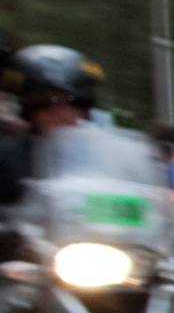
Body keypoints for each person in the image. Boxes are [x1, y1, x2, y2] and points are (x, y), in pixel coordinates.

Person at [0, 46, 106, 206]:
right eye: (45, 103)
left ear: (86, 109)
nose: (60, 113)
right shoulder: (7, 160)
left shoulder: (102, 159)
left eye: (73, 103)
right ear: (29, 109)